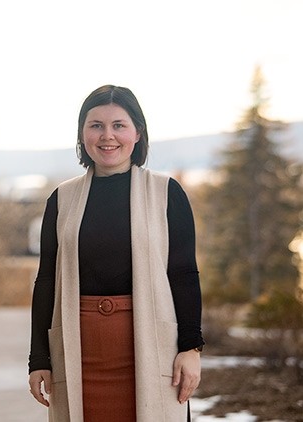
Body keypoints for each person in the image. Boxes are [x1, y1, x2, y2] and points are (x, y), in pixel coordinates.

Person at [27, 85, 204, 421]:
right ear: (83, 135)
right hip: (78, 356)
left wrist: (191, 348)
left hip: (152, 352)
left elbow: (183, 274)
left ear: (137, 132)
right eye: (96, 125)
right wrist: (38, 359)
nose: (107, 136)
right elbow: (46, 281)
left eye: (118, 125)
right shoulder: (61, 200)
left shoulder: (167, 193)